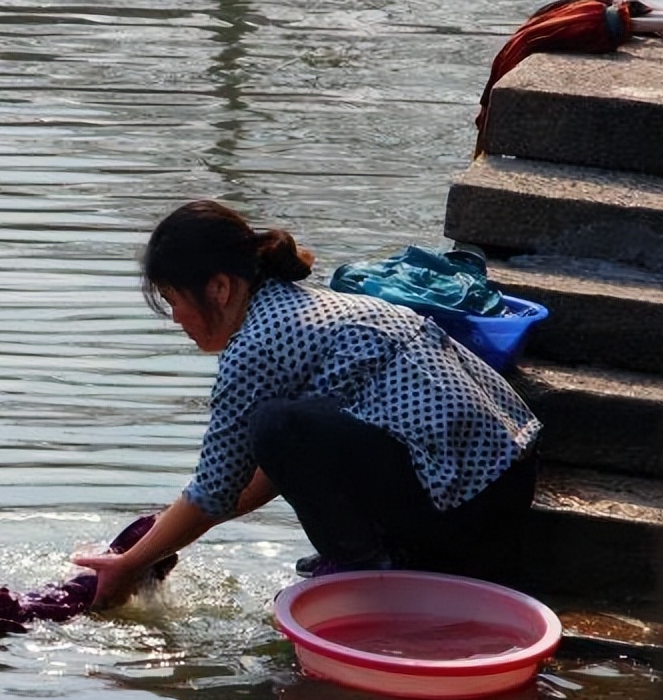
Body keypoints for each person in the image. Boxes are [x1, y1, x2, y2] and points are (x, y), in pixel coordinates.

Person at [75, 199, 541, 608]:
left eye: (173, 299)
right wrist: (158, 537)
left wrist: (130, 565)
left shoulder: (255, 345)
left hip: (468, 506)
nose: (175, 317)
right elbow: (256, 475)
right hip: (507, 476)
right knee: (280, 430)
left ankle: (366, 570)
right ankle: (372, 554)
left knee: (275, 424)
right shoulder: (304, 307)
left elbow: (215, 491)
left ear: (219, 289)